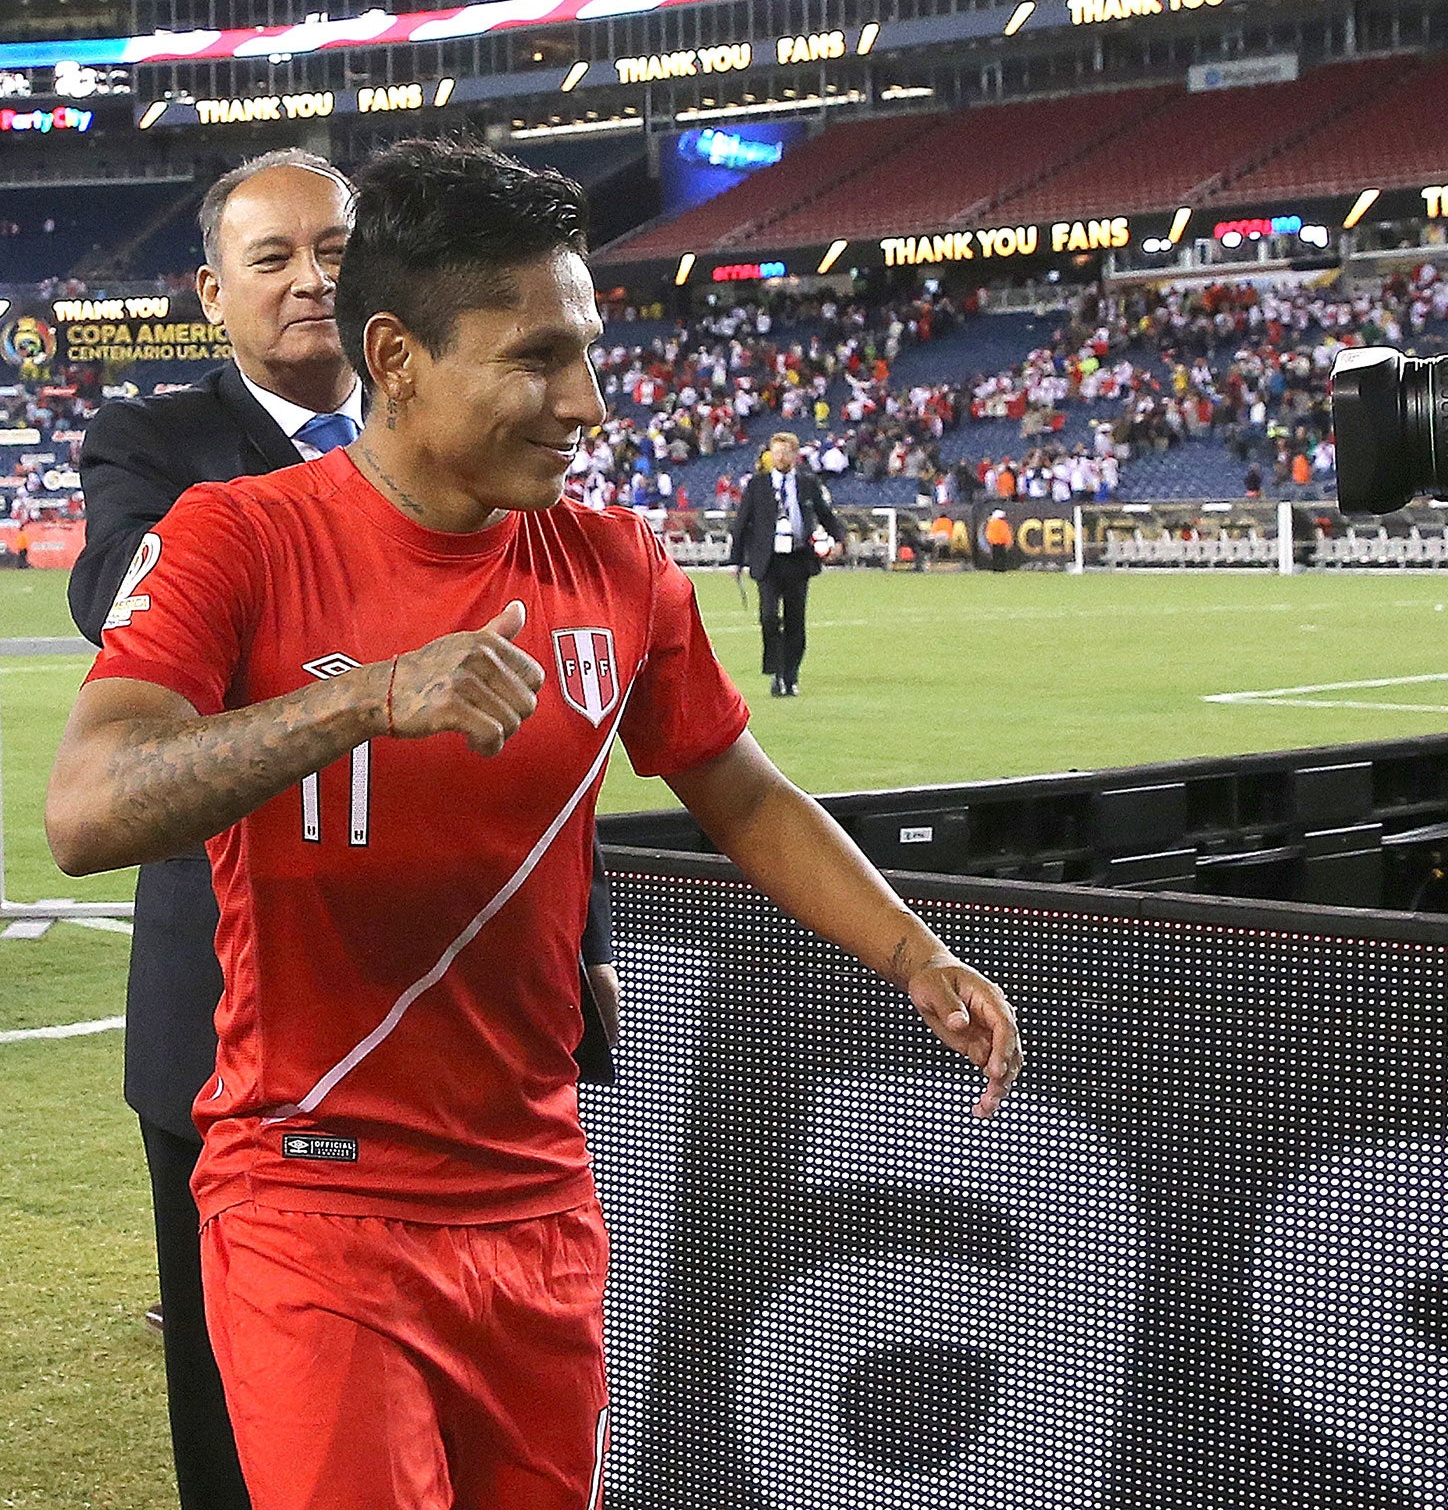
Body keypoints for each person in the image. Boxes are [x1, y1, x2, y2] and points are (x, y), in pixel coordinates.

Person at [45, 138, 1022, 1510]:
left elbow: (735, 784)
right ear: (395, 359)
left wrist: (913, 951)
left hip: (538, 1205)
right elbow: (87, 810)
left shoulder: (620, 565)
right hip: (317, 1195)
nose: (587, 402)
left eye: (590, 355)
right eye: (538, 359)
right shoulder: (236, 539)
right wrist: (366, 701)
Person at [66, 148, 619, 1510]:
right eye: (275, 258)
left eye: (335, 247)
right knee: (237, 1430)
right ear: (214, 292)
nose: (310, 276)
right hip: (236, 1016)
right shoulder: (168, 452)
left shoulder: (481, 424)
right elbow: (115, 608)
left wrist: (589, 931)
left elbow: (555, 718)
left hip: (469, 1044)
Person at [729, 429, 843, 697]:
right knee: (768, 616)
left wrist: (838, 539)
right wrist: (735, 561)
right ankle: (776, 668)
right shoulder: (757, 485)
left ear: (795, 454)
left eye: (785, 451)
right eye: (776, 452)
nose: (780, 456)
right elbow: (742, 524)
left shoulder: (807, 483)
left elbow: (825, 513)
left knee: (795, 620)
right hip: (768, 561)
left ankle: (789, 676)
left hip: (798, 558)